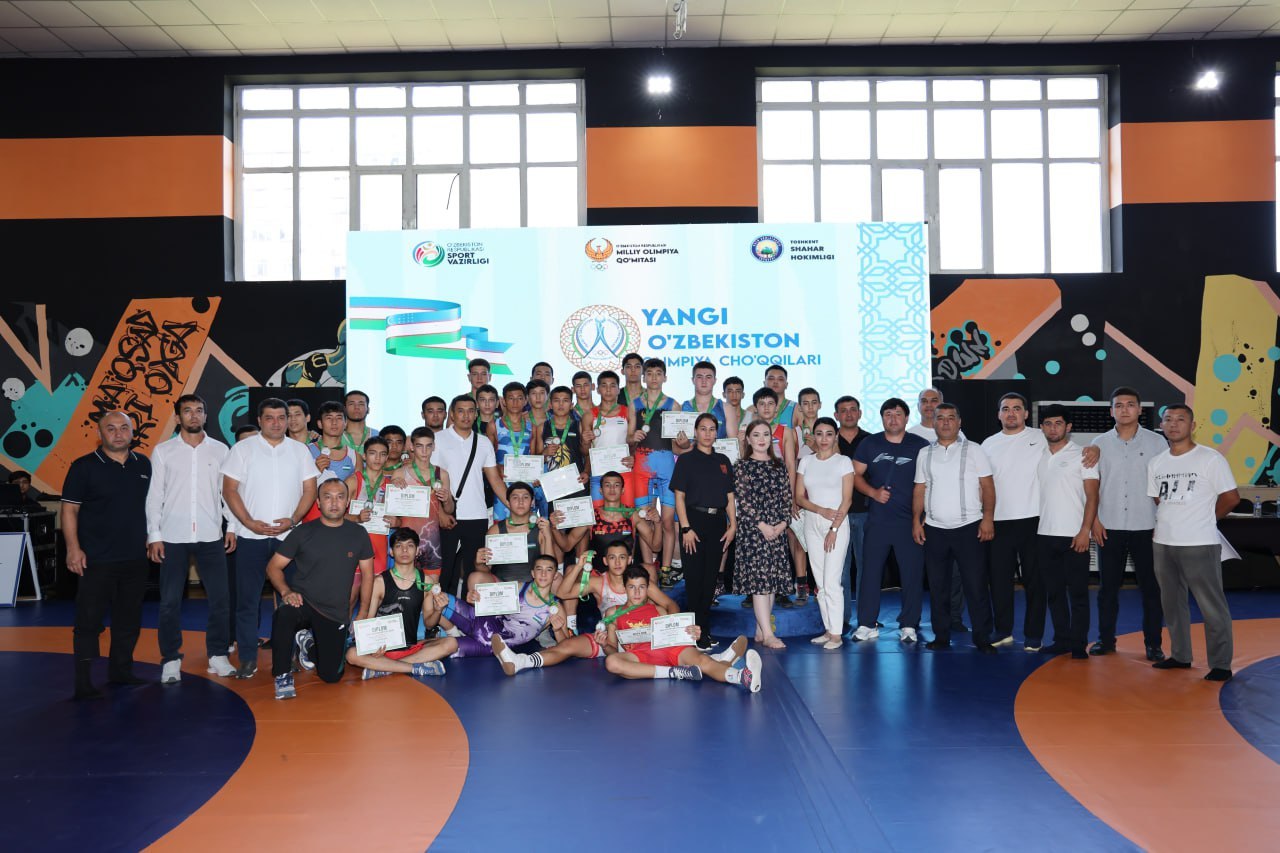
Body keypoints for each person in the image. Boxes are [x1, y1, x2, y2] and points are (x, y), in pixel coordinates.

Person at [221, 397, 319, 678]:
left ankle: (289, 656)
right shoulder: (242, 449)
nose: (276, 423)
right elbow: (229, 490)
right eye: (269, 418)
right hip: (249, 536)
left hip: (289, 538)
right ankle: (247, 658)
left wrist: (294, 519)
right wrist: (248, 522)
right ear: (260, 420)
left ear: (288, 420)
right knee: (247, 600)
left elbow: (310, 490)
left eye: (281, 418)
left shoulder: (299, 451)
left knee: (292, 599)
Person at [146, 394, 237, 683]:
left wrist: (232, 527)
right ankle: (171, 659)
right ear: (177, 417)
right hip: (172, 537)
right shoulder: (163, 451)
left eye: (199, 410)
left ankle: (218, 655)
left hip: (211, 535)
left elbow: (228, 493)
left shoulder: (220, 450)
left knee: (221, 600)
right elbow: (155, 495)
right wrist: (154, 534)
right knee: (169, 602)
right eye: (187, 411)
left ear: (205, 416)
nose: (194, 415)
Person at [62, 411, 152, 699]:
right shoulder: (83, 467)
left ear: (133, 432)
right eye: (110, 428)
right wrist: (73, 548)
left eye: (124, 428)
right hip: (96, 559)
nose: (118, 433)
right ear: (99, 434)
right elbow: (69, 510)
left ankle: (121, 671)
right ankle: (83, 682)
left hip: (135, 558)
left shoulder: (144, 464)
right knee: (88, 622)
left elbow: (154, 506)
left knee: (128, 620)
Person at [1147, 405, 1239, 682]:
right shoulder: (1156, 462)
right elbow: (1159, 499)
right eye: (1168, 419)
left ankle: (1221, 664)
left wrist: (1205, 519)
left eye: (1181, 419)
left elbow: (1231, 498)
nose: (1174, 424)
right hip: (1163, 542)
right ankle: (1180, 655)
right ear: (1161, 425)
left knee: (1211, 605)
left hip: (1199, 543)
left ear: (1193, 425)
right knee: (1172, 603)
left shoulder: (1210, 459)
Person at [267, 479, 375, 700]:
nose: (334, 503)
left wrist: (363, 612)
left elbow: (368, 575)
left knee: (331, 676)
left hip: (334, 612)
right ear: (318, 502)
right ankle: (282, 674)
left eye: (340, 497)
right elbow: (273, 567)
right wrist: (286, 592)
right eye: (327, 497)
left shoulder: (358, 534)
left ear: (347, 502)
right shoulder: (303, 532)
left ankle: (307, 645)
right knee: (284, 614)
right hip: (303, 601)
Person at [912, 403, 998, 654]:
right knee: (938, 586)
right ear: (933, 423)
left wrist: (988, 518)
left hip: (969, 528)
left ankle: (982, 638)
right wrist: (916, 520)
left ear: (959, 422)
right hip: (935, 529)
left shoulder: (975, 450)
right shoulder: (924, 453)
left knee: (976, 585)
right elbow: (920, 489)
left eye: (951, 418)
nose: (946, 422)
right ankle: (941, 636)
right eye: (940, 418)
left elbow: (988, 486)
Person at [1089, 387, 1168, 661]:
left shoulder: (1158, 443)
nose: (1124, 409)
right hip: (1108, 526)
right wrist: (1094, 520)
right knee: (1107, 589)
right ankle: (1105, 640)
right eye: (1119, 405)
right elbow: (1092, 487)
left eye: (1130, 404)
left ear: (1139, 409)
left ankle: (1153, 644)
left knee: (1151, 589)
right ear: (1111, 410)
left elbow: (1164, 486)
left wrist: (1163, 522)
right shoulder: (1099, 443)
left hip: (1147, 526)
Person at [603, 566, 761, 691]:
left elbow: (675, 634)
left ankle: (742, 676)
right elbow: (612, 649)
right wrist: (604, 645)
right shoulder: (613, 613)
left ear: (648, 588)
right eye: (632, 587)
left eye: (642, 587)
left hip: (668, 649)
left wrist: (692, 633)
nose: (637, 592)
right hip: (639, 656)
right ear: (624, 588)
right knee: (612, 662)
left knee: (703, 661)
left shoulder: (658, 610)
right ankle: (674, 672)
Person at [852, 398, 929, 642]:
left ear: (907, 418)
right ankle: (866, 623)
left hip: (910, 523)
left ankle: (909, 624)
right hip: (878, 521)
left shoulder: (921, 445)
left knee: (912, 575)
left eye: (897, 414)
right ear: (882, 418)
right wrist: (872, 492)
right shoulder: (869, 443)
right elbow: (855, 475)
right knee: (870, 574)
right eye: (888, 414)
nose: (893, 419)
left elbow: (930, 482)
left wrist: (922, 518)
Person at [416, 553, 571, 664]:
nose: (543, 574)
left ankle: (411, 654)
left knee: (445, 646)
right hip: (480, 621)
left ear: (555, 575)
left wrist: (557, 630)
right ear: (532, 573)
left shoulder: (555, 607)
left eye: (549, 569)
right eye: (539, 569)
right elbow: (487, 599)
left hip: (492, 644)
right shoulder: (517, 588)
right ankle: (447, 631)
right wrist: (473, 598)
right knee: (437, 595)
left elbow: (567, 646)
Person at [1034, 405, 1100, 660]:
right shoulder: (1039, 455)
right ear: (1042, 427)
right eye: (1048, 423)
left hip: (1075, 535)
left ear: (1068, 427)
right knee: (1054, 593)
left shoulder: (1083, 455)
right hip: (1044, 534)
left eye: (1058, 423)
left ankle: (1078, 644)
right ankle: (1061, 640)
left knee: (1078, 593)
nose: (1053, 428)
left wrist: (1085, 531)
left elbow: (1093, 496)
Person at [981, 392, 1046, 649]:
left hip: (1034, 519)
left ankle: (1034, 634)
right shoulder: (988, 445)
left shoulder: (1041, 437)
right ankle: (1003, 630)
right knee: (999, 581)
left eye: (1017, 408)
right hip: (998, 521)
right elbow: (982, 484)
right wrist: (985, 517)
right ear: (998, 414)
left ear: (1026, 414)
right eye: (1006, 409)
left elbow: (1070, 451)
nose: (1011, 413)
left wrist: (1094, 448)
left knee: (1035, 581)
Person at [344, 527, 448, 681]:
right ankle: (412, 668)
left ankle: (386, 668)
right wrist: (372, 647)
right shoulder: (379, 582)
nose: (404, 550)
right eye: (399, 546)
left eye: (410, 546)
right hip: (383, 651)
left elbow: (429, 624)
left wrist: (438, 610)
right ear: (391, 552)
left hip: (412, 648)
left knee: (451, 643)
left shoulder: (426, 581)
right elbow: (369, 619)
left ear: (417, 551)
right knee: (351, 655)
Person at [671, 413, 737, 651]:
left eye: (712, 429)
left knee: (710, 581)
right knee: (694, 580)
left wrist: (733, 525)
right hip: (693, 522)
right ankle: (696, 634)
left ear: (716, 433)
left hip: (718, 523)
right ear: (695, 432)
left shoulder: (723, 460)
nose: (708, 433)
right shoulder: (686, 460)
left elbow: (729, 496)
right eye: (703, 429)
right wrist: (685, 527)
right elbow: (679, 497)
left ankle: (704, 630)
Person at [434, 395, 508, 597]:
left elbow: (495, 480)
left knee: (473, 571)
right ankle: (441, 613)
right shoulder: (438, 439)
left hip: (477, 514)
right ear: (452, 414)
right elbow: (432, 479)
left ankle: (469, 613)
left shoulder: (483, 442)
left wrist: (515, 506)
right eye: (460, 411)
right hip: (448, 514)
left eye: (470, 411)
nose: (466, 415)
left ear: (476, 414)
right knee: (445, 570)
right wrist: (440, 512)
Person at [734, 419, 795, 649]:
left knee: (771, 582)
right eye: (756, 435)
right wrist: (762, 526)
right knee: (760, 583)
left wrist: (782, 524)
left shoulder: (779, 466)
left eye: (766, 434)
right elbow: (743, 502)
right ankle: (769, 634)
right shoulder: (742, 466)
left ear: (772, 439)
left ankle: (761, 630)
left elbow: (787, 499)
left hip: (777, 531)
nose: (761, 439)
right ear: (748, 440)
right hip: (753, 532)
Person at [909, 386, 966, 632]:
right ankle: (922, 619)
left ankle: (954, 617)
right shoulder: (910, 434)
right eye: (925, 401)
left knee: (954, 572)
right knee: (923, 571)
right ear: (918, 406)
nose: (929, 405)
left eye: (934, 401)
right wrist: (917, 516)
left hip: (950, 513)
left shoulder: (959, 435)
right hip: (920, 511)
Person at [795, 417, 854, 649]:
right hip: (812, 523)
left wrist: (834, 528)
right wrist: (820, 510)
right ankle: (829, 630)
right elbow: (799, 497)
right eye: (819, 433)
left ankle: (837, 634)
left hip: (837, 525)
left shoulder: (843, 462)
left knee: (831, 583)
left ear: (836, 436)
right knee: (820, 583)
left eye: (829, 434)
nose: (824, 439)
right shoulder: (806, 461)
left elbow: (847, 500)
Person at [630, 358, 685, 581]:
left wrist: (684, 443)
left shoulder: (673, 405)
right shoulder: (634, 404)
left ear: (665, 377)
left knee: (668, 521)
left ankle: (666, 569)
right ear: (644, 377)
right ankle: (648, 569)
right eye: (650, 373)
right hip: (641, 468)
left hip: (666, 467)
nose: (654, 377)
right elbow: (629, 439)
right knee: (644, 519)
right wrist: (632, 438)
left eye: (658, 373)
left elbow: (678, 445)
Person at [751, 387, 806, 605]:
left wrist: (791, 497)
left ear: (777, 408)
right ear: (755, 408)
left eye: (770, 404)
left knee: (781, 542)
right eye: (762, 404)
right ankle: (755, 589)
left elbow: (791, 465)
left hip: (779, 494)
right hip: (756, 496)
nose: (766, 408)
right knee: (756, 542)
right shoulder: (748, 431)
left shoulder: (786, 431)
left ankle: (782, 589)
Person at [390, 426, 454, 576]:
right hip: (405, 543)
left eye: (428, 446)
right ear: (412, 447)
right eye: (419, 446)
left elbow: (449, 509)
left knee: (432, 586)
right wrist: (394, 490)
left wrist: (446, 500)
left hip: (432, 542)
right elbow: (391, 511)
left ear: (434, 447)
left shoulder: (441, 474)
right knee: (404, 585)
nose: (424, 451)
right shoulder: (400, 473)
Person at [472, 482, 555, 584]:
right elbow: (485, 570)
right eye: (515, 498)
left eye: (525, 497)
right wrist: (479, 564)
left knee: (556, 579)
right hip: (502, 586)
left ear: (532, 502)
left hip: (532, 586)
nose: (520, 502)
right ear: (508, 502)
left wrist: (548, 536)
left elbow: (551, 566)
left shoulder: (540, 528)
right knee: (475, 577)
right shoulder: (495, 530)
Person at [834, 395, 868, 635]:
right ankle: (842, 618)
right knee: (841, 570)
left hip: (865, 512)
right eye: (843, 410)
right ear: (836, 415)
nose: (848, 414)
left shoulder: (871, 440)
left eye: (852, 409)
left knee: (867, 567)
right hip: (837, 514)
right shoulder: (828, 439)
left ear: (860, 413)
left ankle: (867, 617)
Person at [342, 435, 394, 580]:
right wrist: (356, 518)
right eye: (372, 453)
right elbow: (334, 516)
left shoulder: (391, 486)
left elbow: (399, 520)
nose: (377, 458)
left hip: (379, 545)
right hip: (353, 544)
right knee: (350, 591)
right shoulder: (353, 481)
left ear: (387, 457)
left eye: (382, 454)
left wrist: (396, 522)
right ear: (364, 456)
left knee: (375, 591)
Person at [581, 370, 635, 502]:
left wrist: (633, 457)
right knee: (598, 513)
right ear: (598, 389)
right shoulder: (589, 415)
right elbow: (585, 452)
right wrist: (585, 441)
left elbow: (634, 442)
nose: (608, 390)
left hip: (623, 470)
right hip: (599, 472)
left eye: (612, 385)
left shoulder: (628, 412)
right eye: (604, 385)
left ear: (618, 389)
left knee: (627, 511)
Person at [308, 400, 357, 485]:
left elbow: (358, 489)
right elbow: (295, 485)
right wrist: (315, 471)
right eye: (329, 418)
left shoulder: (354, 456)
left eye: (339, 418)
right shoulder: (306, 451)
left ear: (345, 423)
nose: (334, 422)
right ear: (320, 424)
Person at [681, 361, 728, 437]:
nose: (704, 381)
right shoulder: (682, 408)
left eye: (708, 377)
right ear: (693, 380)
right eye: (699, 377)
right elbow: (675, 442)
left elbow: (733, 441)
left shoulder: (726, 408)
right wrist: (685, 444)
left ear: (715, 380)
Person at [794, 387, 822, 458]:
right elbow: (790, 461)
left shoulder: (831, 430)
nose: (810, 407)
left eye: (814, 403)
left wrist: (815, 448)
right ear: (800, 407)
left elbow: (837, 457)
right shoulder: (794, 433)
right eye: (806, 403)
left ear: (820, 405)